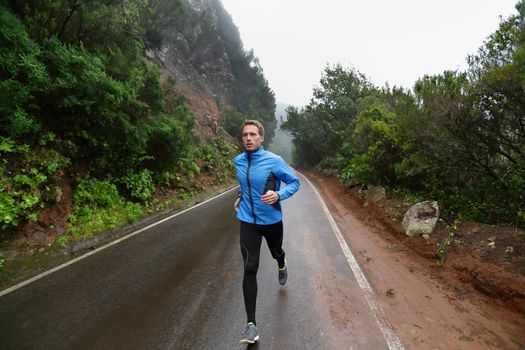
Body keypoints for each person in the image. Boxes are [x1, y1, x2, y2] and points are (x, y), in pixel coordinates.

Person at [233, 119, 300, 344]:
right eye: (245, 135)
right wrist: (241, 197)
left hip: (271, 220)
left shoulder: (274, 161)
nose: (249, 138)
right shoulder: (238, 161)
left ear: (262, 138)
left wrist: (278, 195)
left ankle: (282, 262)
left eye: (253, 134)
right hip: (247, 221)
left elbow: (294, 183)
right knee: (250, 267)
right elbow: (246, 187)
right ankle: (251, 325)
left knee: (276, 252)